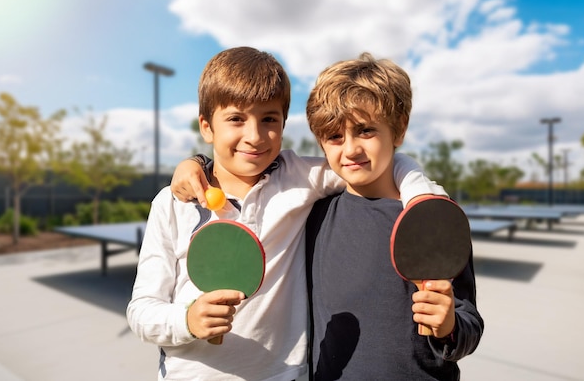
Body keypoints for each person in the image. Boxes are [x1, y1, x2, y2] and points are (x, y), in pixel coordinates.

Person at [129, 46, 446, 380]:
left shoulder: (298, 177)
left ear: (283, 124)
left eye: (269, 119)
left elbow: (376, 159)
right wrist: (187, 321)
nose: (254, 136)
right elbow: (141, 311)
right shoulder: (171, 203)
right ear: (207, 127)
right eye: (236, 119)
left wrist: (421, 199)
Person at [304, 53, 484, 380]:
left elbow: (469, 324)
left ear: (398, 130)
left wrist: (449, 326)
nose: (351, 149)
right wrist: (200, 163)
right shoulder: (314, 218)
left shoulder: (432, 219)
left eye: (365, 130)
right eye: (334, 136)